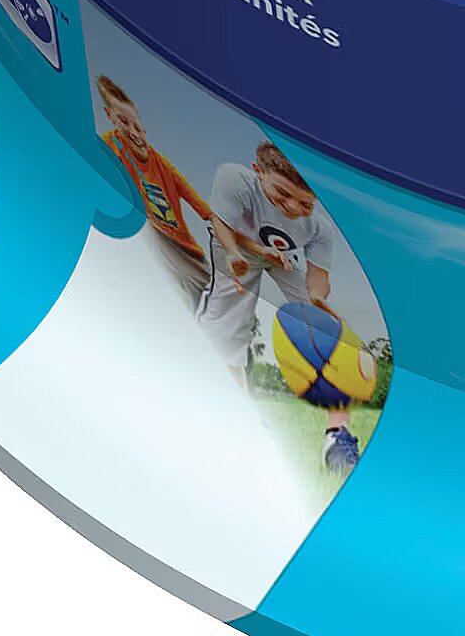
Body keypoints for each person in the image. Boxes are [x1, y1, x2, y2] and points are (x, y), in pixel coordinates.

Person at [196, 140, 362, 464]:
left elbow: (318, 275)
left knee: (326, 333)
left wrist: (317, 298)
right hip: (237, 250)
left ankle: (338, 433)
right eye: (283, 194)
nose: (292, 207)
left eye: (305, 203)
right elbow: (222, 224)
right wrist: (237, 254)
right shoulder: (235, 179)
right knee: (226, 323)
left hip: (284, 258)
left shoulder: (319, 228)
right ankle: (237, 415)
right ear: (258, 172)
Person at [93, 74, 216, 308]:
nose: (133, 133)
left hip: (186, 251)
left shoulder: (161, 164)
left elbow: (201, 207)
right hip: (150, 243)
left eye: (138, 127)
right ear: (110, 117)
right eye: (123, 122)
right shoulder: (109, 147)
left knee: (205, 303)